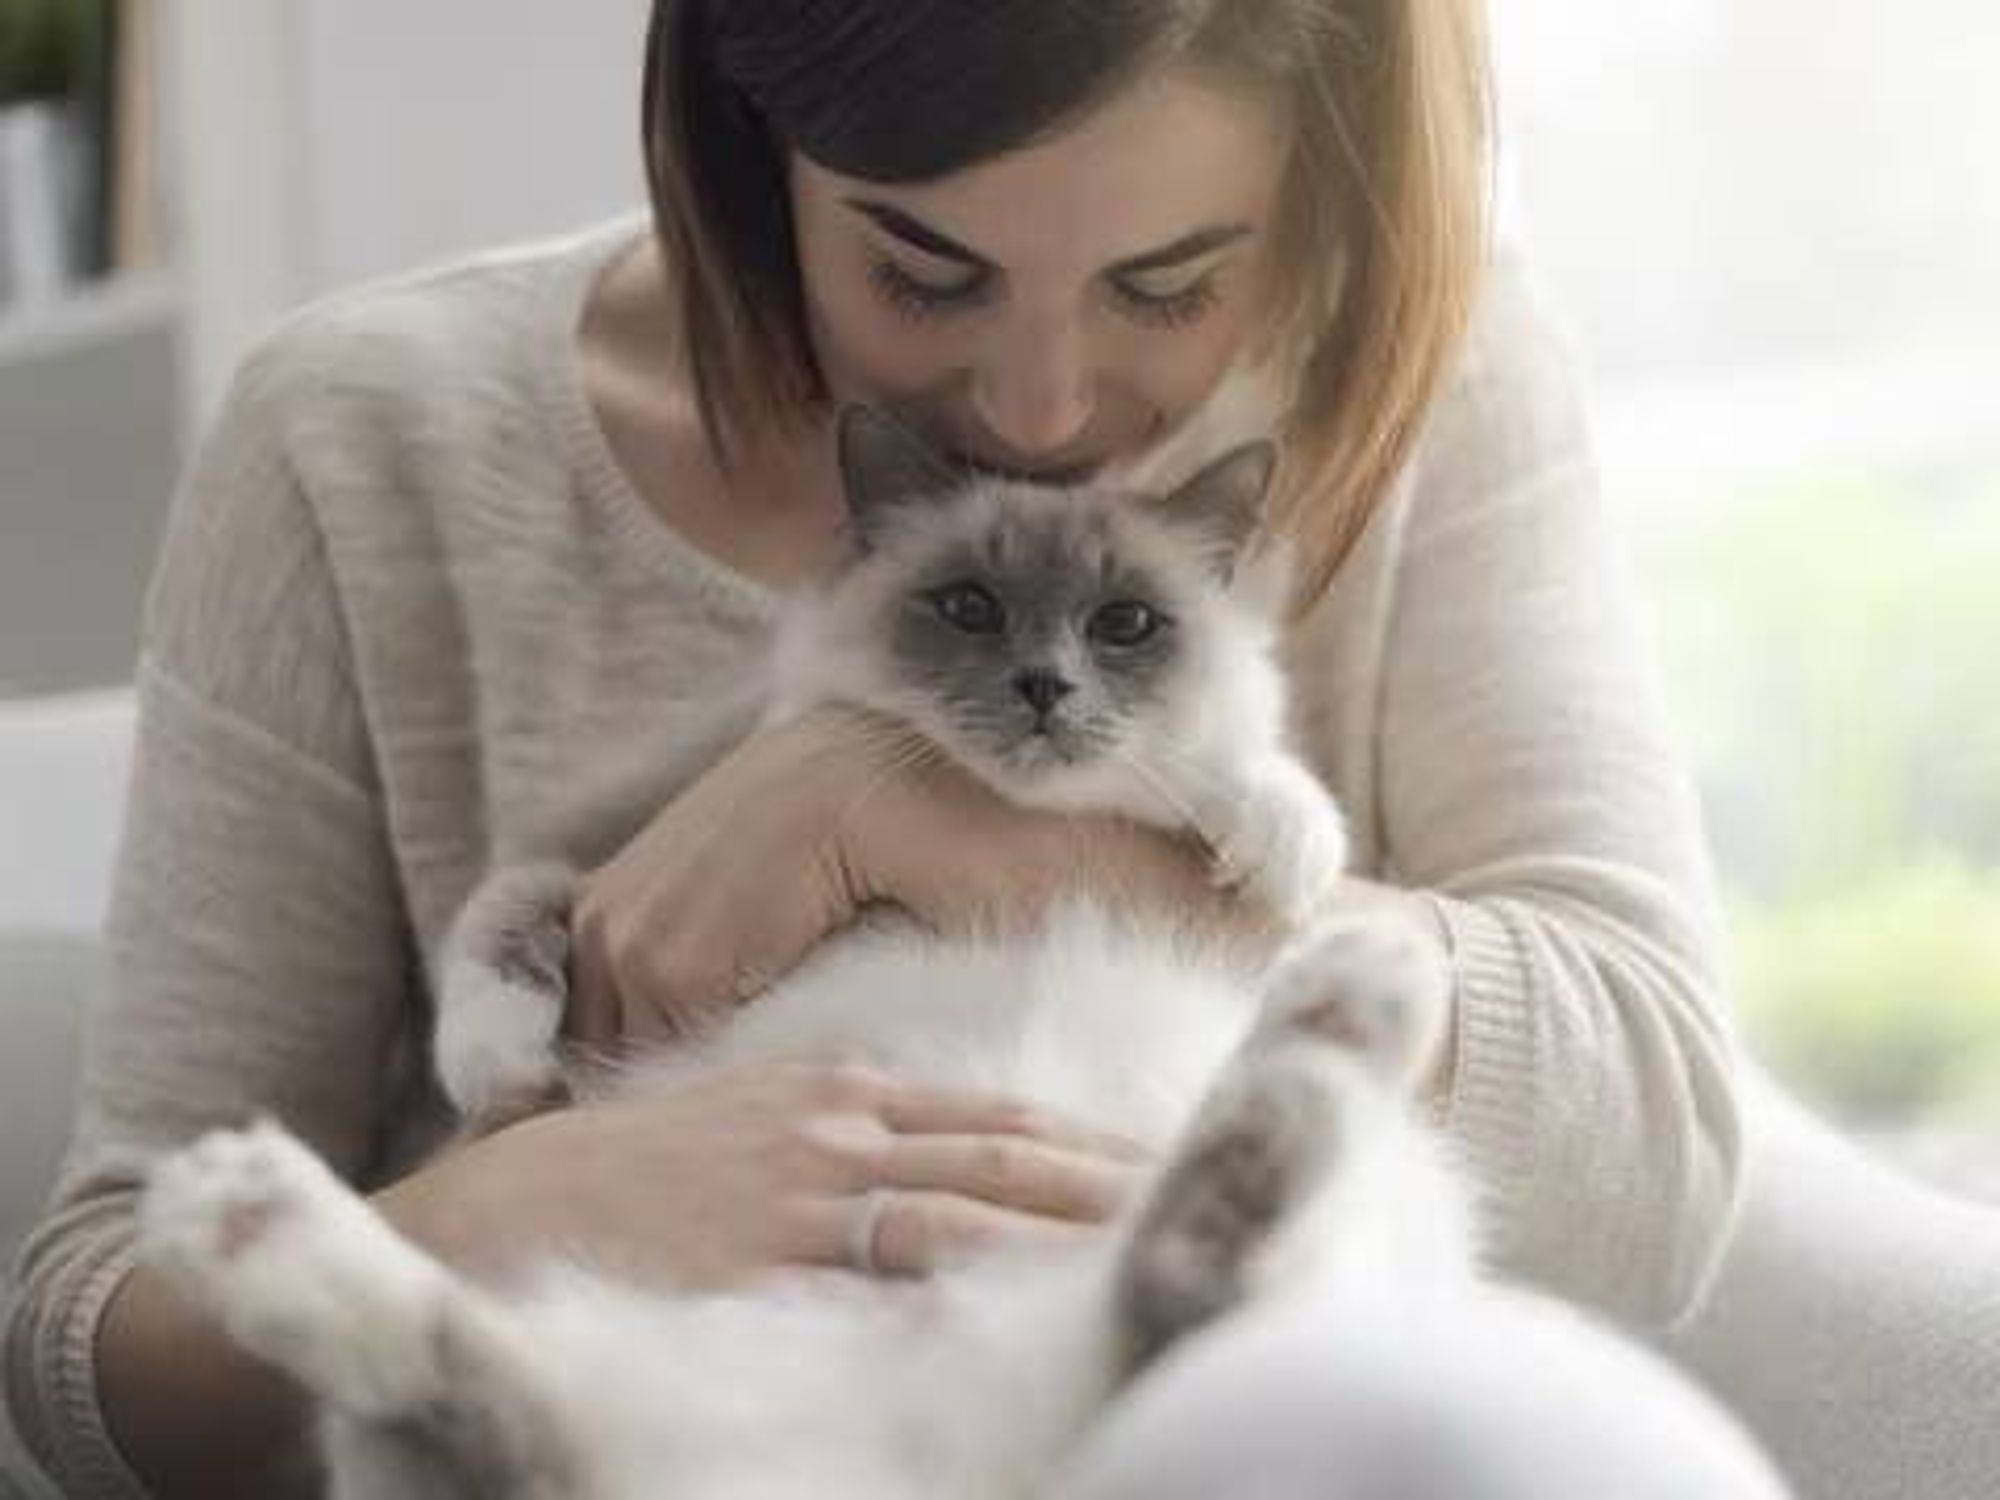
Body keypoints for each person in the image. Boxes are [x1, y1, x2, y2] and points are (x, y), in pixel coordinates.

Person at [4, 3, 1750, 1497]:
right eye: (924, 271)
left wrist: (911, 811)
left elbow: (1662, 1140)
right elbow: (87, 1339)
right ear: (748, 134)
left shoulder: (1426, 376)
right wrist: (499, 1212)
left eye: (1169, 285)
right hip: (692, 1375)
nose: (1043, 410)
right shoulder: (360, 435)